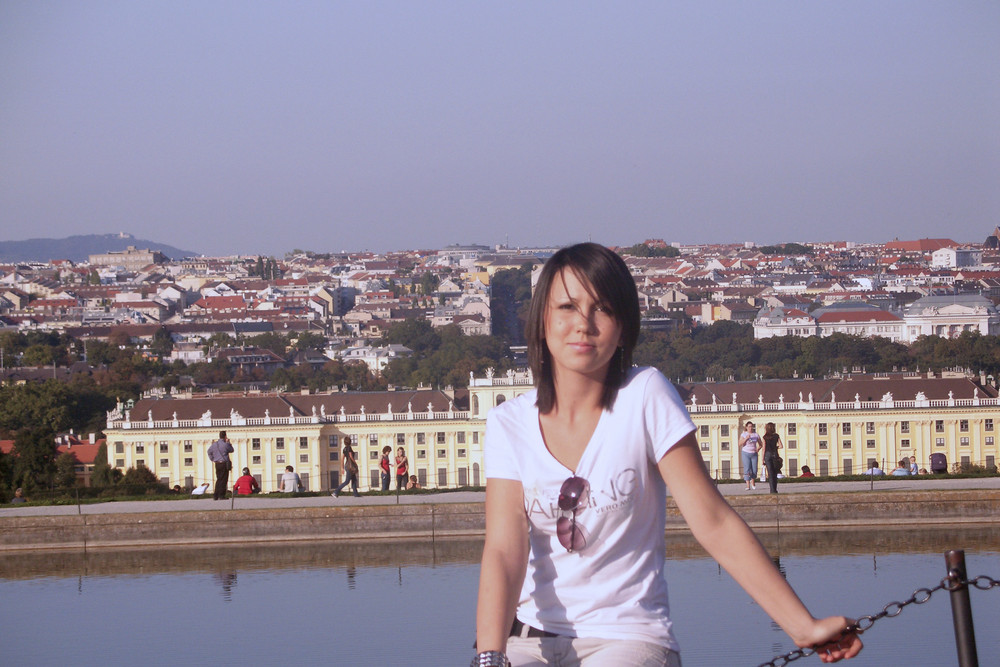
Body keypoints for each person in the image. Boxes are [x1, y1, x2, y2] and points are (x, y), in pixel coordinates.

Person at [472, 243, 861, 667]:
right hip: (529, 638)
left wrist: (802, 626)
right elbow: (504, 551)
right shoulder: (508, 422)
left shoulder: (645, 395)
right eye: (566, 306)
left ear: (623, 327)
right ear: (541, 321)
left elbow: (712, 521)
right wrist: (491, 656)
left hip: (627, 637)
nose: (583, 324)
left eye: (602, 309)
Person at [207, 430, 234, 500]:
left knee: (218, 479)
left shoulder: (214, 444)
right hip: (224, 463)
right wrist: (228, 442)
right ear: (225, 436)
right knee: (224, 480)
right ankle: (221, 495)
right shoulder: (225, 444)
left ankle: (215, 495)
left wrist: (213, 459)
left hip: (217, 463)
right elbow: (231, 450)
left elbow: (209, 451)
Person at [739, 421, 762, 490]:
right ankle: (748, 485)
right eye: (749, 426)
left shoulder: (756, 435)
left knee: (754, 469)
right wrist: (746, 438)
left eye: (751, 426)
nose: (750, 428)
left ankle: (753, 482)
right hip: (746, 453)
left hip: (754, 453)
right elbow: (739, 443)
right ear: (746, 427)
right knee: (747, 469)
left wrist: (758, 449)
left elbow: (761, 444)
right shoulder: (743, 434)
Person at [762, 422, 784, 494]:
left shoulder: (765, 437)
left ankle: (771, 490)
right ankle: (775, 489)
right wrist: (776, 447)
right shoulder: (776, 436)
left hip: (767, 455)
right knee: (774, 473)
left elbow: (763, 449)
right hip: (774, 454)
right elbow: (781, 446)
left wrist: (762, 459)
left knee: (770, 473)